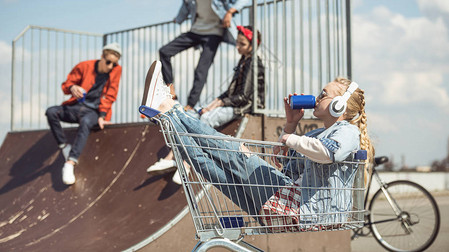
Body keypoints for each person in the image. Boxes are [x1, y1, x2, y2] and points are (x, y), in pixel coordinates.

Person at [140, 60, 375, 228]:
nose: (317, 96)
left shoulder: (348, 131)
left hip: (298, 209)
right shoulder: (316, 134)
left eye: (323, 94)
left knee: (234, 152)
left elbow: (328, 154)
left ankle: (170, 108)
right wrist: (290, 126)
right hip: (285, 209)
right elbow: (284, 167)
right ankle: (166, 116)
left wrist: (293, 139)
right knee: (208, 166)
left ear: (339, 106)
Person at [147, 25, 265, 184]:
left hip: (244, 108)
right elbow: (230, 90)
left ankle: (187, 164)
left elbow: (244, 96)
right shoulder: (244, 60)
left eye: (242, 44)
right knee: (191, 115)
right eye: (237, 42)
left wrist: (219, 104)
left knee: (207, 119)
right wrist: (215, 102)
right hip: (233, 103)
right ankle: (171, 158)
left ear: (253, 45)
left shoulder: (253, 63)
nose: (237, 47)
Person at [159, 0, 248, 112]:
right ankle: (170, 90)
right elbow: (183, 13)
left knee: (201, 69)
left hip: (214, 34)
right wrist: (177, 19)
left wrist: (229, 12)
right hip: (195, 32)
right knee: (164, 51)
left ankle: (190, 105)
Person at [45, 43, 122, 185]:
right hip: (76, 107)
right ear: (102, 57)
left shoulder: (116, 71)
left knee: (86, 122)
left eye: (114, 64)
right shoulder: (84, 66)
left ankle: (70, 163)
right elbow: (66, 85)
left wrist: (103, 115)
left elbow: (111, 94)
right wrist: (72, 87)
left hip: (94, 112)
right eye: (108, 62)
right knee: (51, 112)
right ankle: (64, 147)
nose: (111, 66)